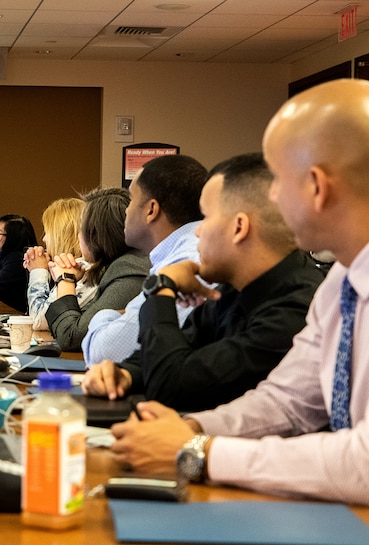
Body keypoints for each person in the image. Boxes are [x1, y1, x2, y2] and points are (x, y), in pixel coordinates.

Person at [109, 79, 369, 506]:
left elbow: (363, 461)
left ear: (317, 187)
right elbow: (288, 403)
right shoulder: (342, 283)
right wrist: (192, 429)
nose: (270, 196)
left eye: (279, 179)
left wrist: (200, 452)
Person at [82, 153, 323, 411]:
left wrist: (161, 289)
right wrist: (124, 374)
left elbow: (172, 384)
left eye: (206, 218)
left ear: (238, 227)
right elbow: (169, 354)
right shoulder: (234, 290)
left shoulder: (292, 312)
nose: (196, 231)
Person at [82, 154, 208, 365]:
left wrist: (107, 314)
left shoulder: (186, 261)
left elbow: (103, 352)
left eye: (131, 200)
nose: (126, 210)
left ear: (151, 210)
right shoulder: (180, 253)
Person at [45, 188, 150, 351]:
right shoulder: (121, 265)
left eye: (81, 229)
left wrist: (65, 279)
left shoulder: (131, 270)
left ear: (96, 235)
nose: (78, 237)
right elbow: (78, 321)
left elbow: (71, 336)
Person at [23, 197, 97, 331]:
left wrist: (38, 272)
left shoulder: (83, 270)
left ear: (62, 235)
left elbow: (39, 320)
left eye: (47, 232)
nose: (44, 239)